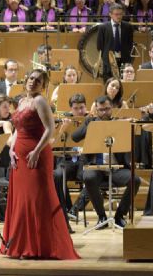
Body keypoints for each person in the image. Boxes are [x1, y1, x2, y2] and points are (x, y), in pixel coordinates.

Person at [2, 69, 79, 259]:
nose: (33, 82)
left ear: (43, 85)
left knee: (37, 200)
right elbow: (18, 130)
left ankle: (39, 246)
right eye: (31, 78)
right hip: (19, 156)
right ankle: (22, 244)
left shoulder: (40, 101)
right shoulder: (21, 101)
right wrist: (11, 149)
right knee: (22, 200)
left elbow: (50, 129)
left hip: (36, 156)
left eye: (38, 80)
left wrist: (36, 151)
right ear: (26, 80)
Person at [72, 95, 141, 229]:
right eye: (101, 110)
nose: (104, 113)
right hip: (96, 167)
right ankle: (102, 216)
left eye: (107, 109)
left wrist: (127, 125)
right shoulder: (90, 122)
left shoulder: (118, 122)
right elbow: (75, 137)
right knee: (88, 177)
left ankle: (119, 216)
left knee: (135, 180)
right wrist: (93, 124)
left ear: (112, 108)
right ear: (96, 110)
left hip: (117, 168)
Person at [52, 93, 88, 230]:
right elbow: (55, 144)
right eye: (76, 108)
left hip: (84, 159)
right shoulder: (64, 122)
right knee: (58, 175)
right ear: (71, 109)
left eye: (82, 107)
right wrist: (62, 129)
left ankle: (75, 208)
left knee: (90, 177)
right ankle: (65, 210)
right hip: (68, 158)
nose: (79, 111)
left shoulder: (91, 120)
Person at [97, 3, 134, 82]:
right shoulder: (103, 27)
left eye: (120, 14)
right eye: (116, 14)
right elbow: (100, 46)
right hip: (108, 62)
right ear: (110, 14)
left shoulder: (128, 27)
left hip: (124, 60)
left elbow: (130, 44)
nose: (119, 16)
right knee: (109, 85)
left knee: (124, 85)